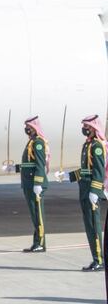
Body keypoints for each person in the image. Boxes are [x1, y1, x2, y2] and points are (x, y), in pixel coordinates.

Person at [55, 114, 106, 271]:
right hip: (84, 189)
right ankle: (96, 258)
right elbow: (85, 170)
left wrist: (95, 191)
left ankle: (99, 260)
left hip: (91, 190)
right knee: (88, 225)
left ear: (94, 128)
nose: (84, 129)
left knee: (93, 226)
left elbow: (98, 170)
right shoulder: (87, 145)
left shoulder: (97, 146)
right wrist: (67, 176)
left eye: (87, 126)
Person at [4, 116, 49, 252]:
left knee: (38, 214)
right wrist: (14, 168)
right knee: (34, 214)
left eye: (28, 127)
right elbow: (28, 164)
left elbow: (40, 164)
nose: (26, 129)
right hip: (29, 183)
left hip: (35, 184)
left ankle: (40, 243)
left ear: (34, 127)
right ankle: (37, 242)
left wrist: (38, 183)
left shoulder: (38, 142)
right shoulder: (31, 142)